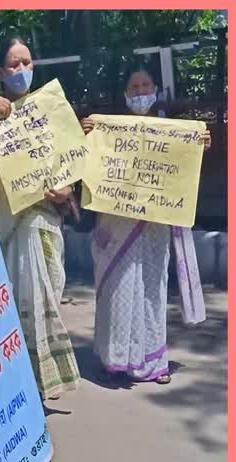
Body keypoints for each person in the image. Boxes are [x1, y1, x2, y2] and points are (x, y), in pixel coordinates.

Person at [82, 66, 211, 385]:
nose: (140, 92)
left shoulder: (171, 133)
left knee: (151, 290)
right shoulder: (108, 131)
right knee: (116, 289)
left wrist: (198, 147)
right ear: (125, 94)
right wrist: (85, 135)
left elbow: (181, 176)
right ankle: (113, 358)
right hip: (115, 225)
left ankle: (154, 362)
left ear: (156, 89)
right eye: (134, 86)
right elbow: (88, 165)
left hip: (152, 227)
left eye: (145, 85)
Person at [0, 37, 80, 400]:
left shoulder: (50, 110)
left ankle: (43, 379)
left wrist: (67, 191)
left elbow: (70, 165)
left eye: (26, 63)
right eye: (13, 65)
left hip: (47, 222)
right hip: (11, 228)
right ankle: (23, 386)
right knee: (20, 307)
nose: (21, 71)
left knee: (48, 293)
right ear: (1, 73)